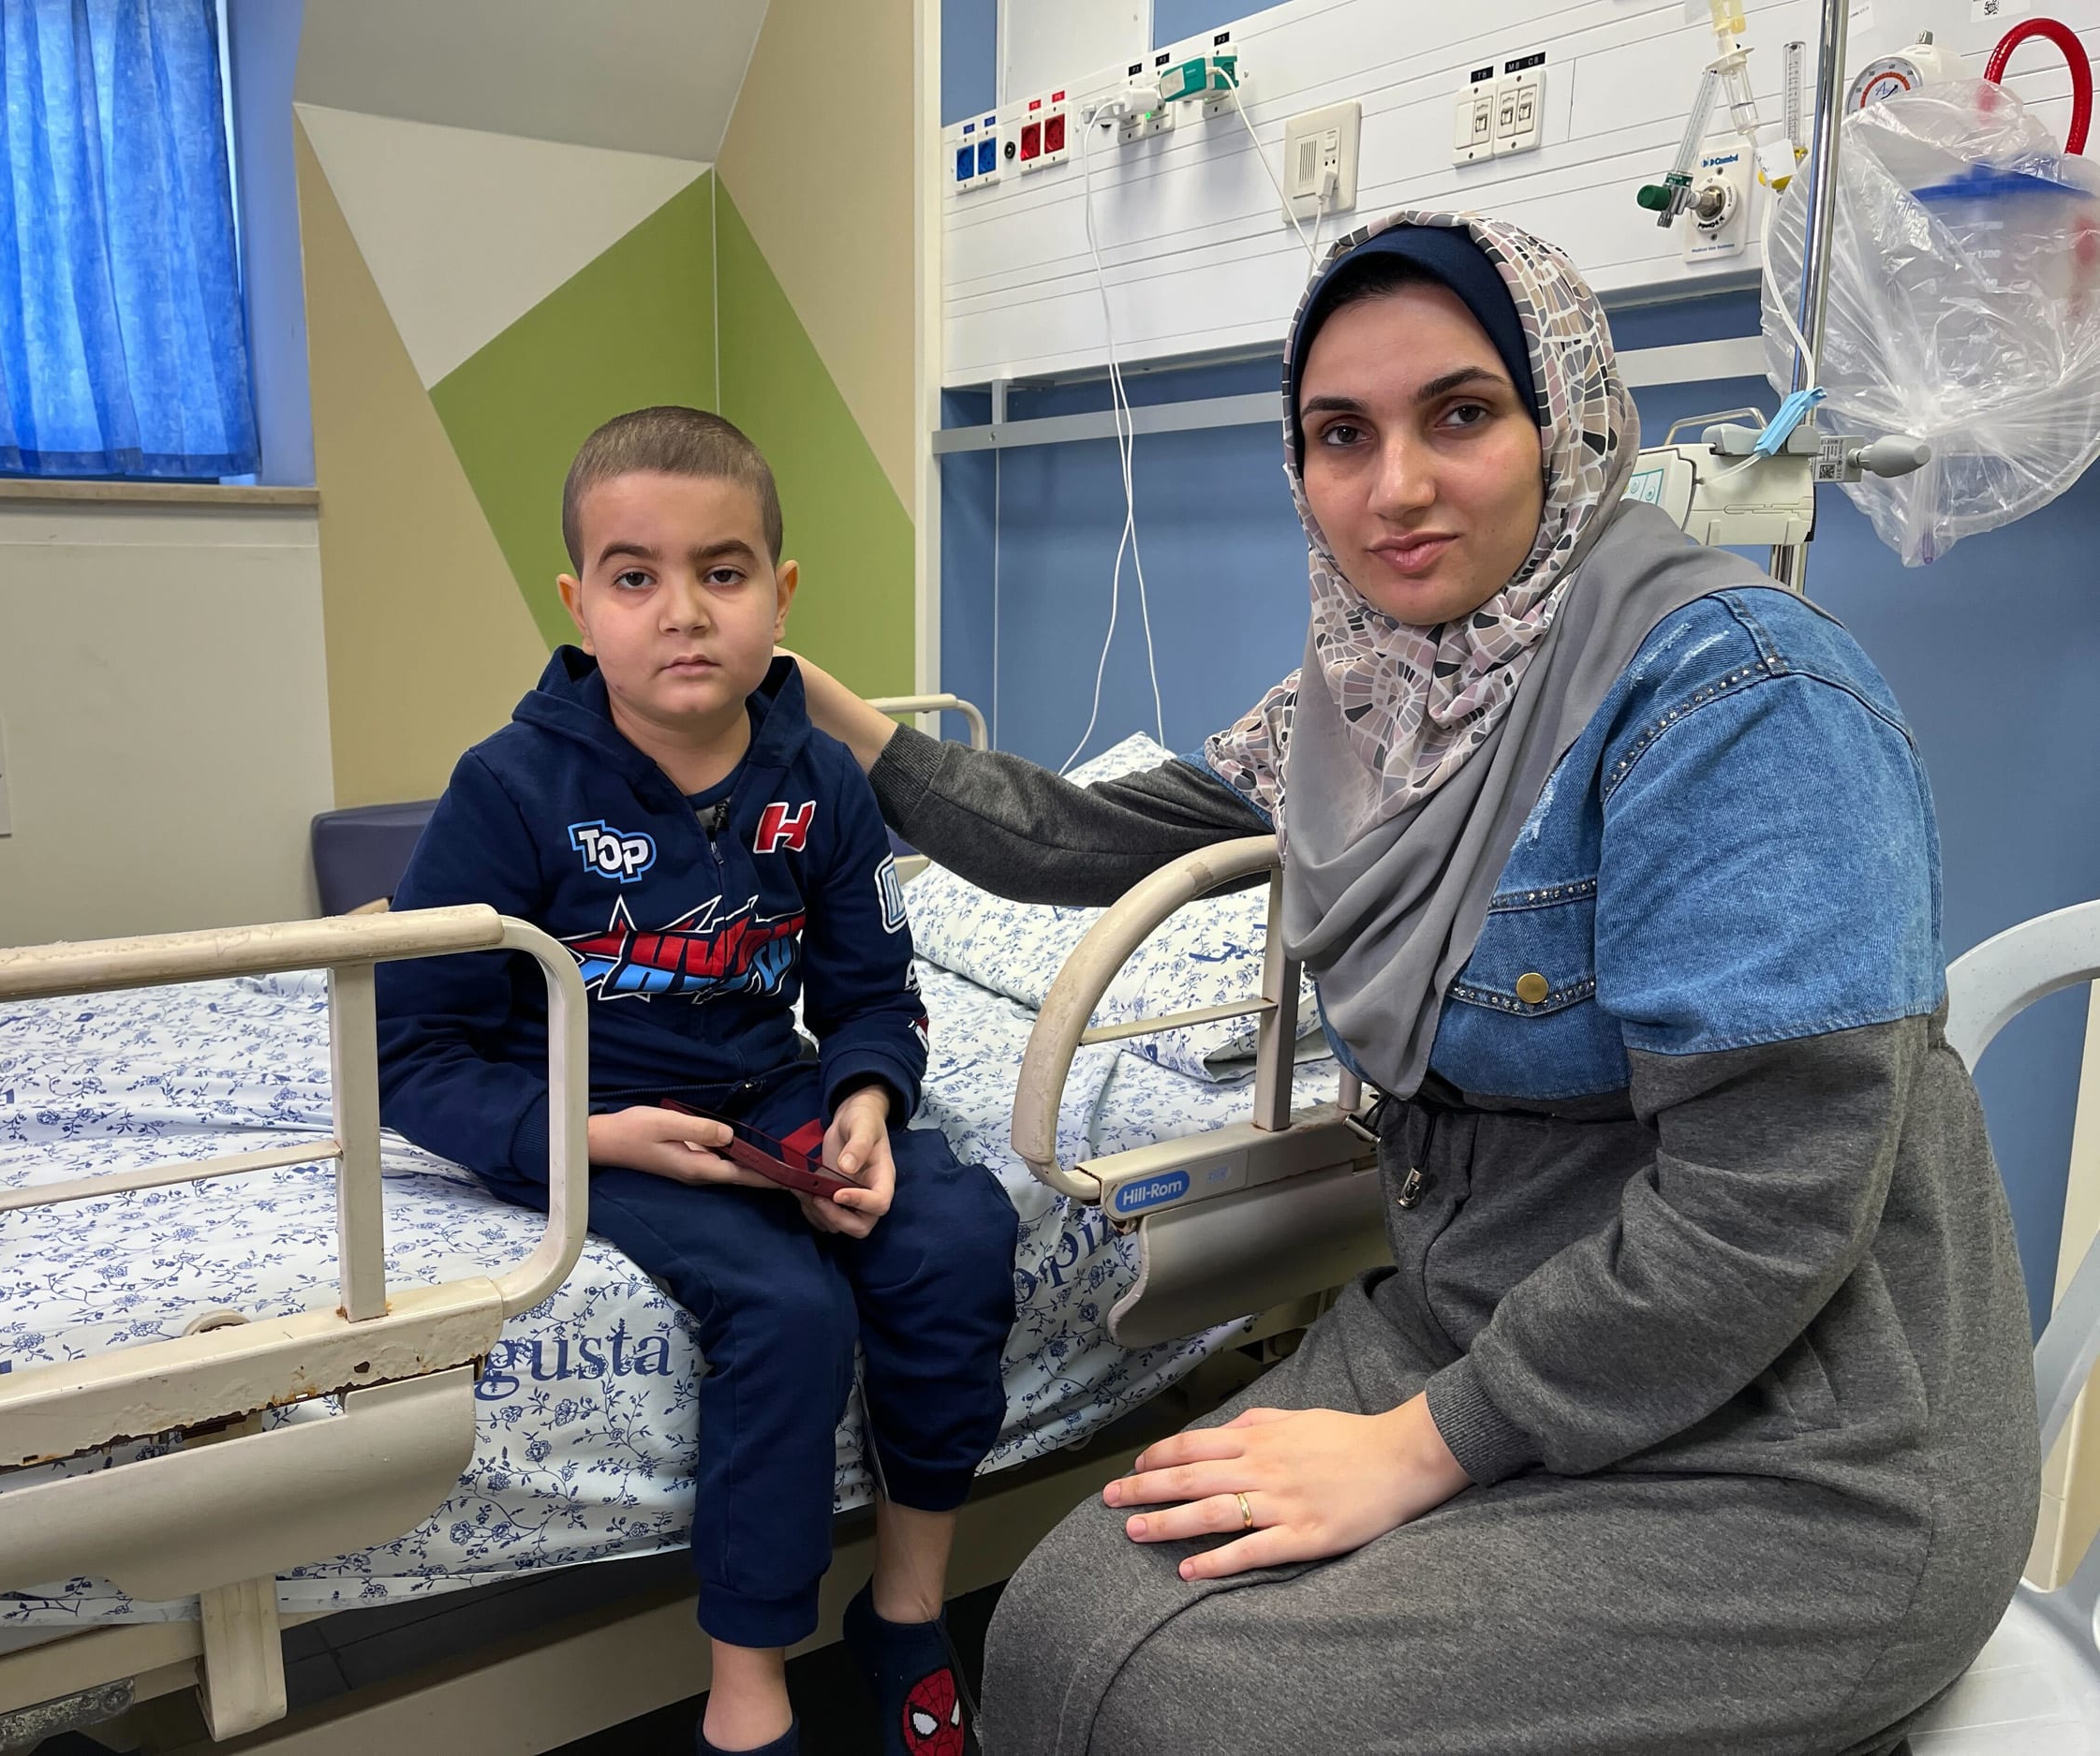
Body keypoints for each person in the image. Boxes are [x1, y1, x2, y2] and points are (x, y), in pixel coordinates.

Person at [789, 212, 2040, 1754]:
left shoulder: (1739, 700)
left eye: (1460, 414)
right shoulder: (1369, 700)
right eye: (1339, 435)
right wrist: (831, 718)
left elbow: (1767, 1208)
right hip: (1477, 1306)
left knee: (1199, 1707)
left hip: (1802, 1435)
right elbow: (1091, 838)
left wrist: (1427, 1445)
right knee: (1055, 1622)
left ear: (1562, 417)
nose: (1395, 487)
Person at [375, 406, 1017, 1756]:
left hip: (764, 1090)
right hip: (590, 1109)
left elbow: (869, 994)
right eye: (635, 576)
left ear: (780, 597)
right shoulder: (508, 790)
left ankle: (905, 1613)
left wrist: (867, 1099)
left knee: (956, 1234)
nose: (683, 613)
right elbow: (411, 1052)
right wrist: (586, 1138)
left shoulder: (821, 788)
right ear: (579, 603)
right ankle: (748, 1691)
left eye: (723, 574)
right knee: (787, 1307)